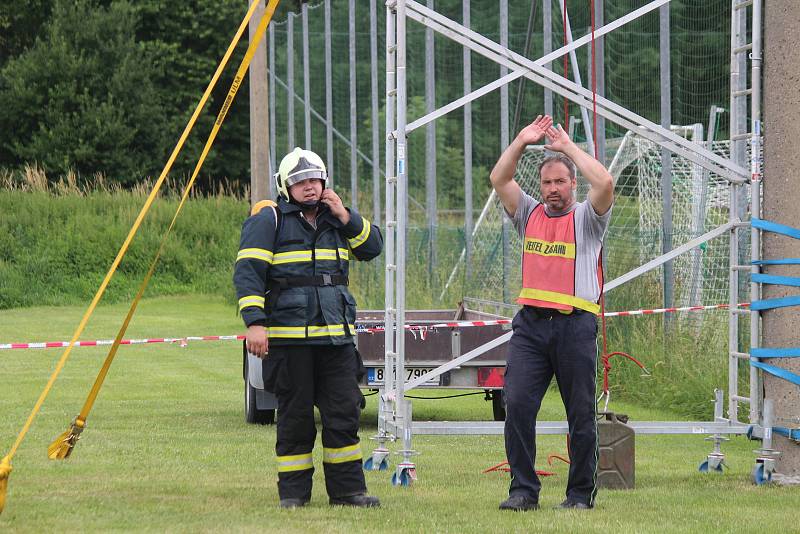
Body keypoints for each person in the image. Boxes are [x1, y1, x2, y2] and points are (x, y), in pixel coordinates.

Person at [233, 147, 383, 509]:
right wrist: (255, 324)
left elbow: (373, 247)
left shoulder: (337, 219)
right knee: (296, 420)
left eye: (315, 180)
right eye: (300, 181)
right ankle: (294, 495)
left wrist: (345, 214)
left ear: (325, 182)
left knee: (344, 415)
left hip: (336, 341)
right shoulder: (269, 219)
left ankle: (348, 493)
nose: (309, 187)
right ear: (286, 186)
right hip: (289, 342)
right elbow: (248, 273)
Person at [490, 115, 614, 511]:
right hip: (530, 327)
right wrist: (522, 142)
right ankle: (523, 491)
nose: (553, 189)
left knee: (580, 415)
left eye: (561, 181)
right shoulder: (529, 213)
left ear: (572, 184)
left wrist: (567, 149)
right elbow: (499, 178)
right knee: (518, 405)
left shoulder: (587, 218)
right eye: (547, 182)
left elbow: (606, 183)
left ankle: (579, 495)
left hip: (575, 326)